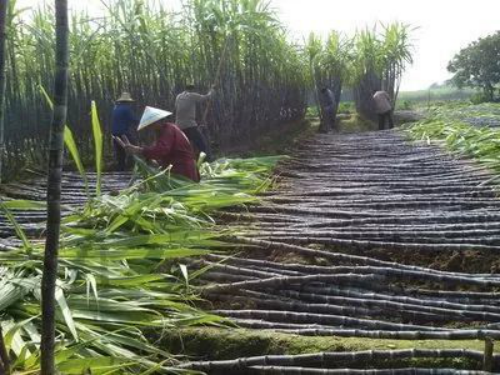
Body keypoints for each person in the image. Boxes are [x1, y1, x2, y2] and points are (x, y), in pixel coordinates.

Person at [113, 106, 200, 182]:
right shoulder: (164, 131)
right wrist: (151, 160)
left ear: (157, 121)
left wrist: (139, 150)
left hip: (183, 172)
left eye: (151, 125)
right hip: (180, 170)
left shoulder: (168, 130)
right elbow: (161, 153)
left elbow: (161, 150)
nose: (150, 128)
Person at [175, 83, 215, 161]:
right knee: (202, 144)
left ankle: (189, 160)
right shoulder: (192, 95)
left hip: (179, 126)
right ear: (192, 90)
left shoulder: (178, 96)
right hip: (190, 124)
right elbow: (207, 97)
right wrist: (212, 89)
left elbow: (177, 107)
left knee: (186, 145)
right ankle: (205, 160)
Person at [111, 92, 138, 171]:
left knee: (120, 154)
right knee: (133, 149)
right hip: (123, 134)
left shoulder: (115, 108)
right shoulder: (126, 109)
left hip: (115, 134)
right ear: (127, 102)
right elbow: (132, 119)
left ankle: (121, 170)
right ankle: (131, 168)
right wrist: (142, 121)